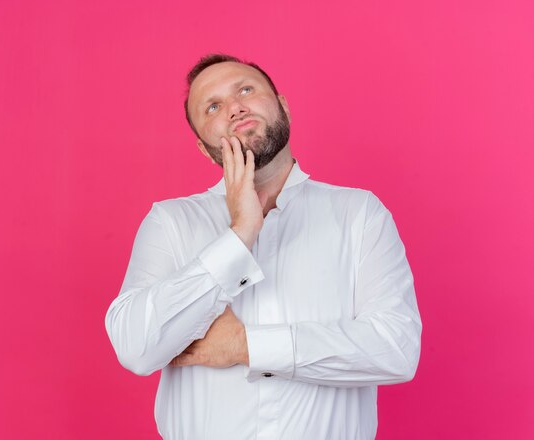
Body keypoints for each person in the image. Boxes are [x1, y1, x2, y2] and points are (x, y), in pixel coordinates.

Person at [105, 53, 422, 440]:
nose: (235, 107)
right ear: (205, 148)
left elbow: (396, 350)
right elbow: (136, 347)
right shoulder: (170, 222)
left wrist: (245, 346)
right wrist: (239, 236)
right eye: (214, 106)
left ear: (283, 106)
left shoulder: (359, 214)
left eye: (245, 90)